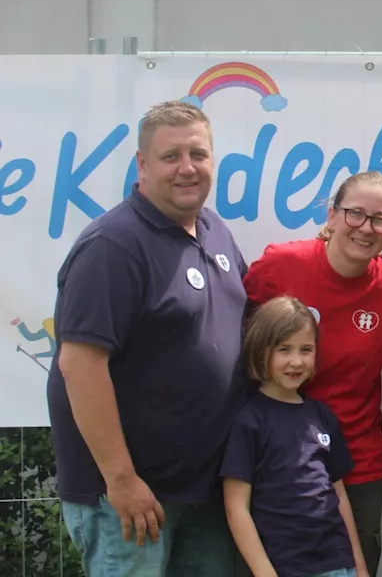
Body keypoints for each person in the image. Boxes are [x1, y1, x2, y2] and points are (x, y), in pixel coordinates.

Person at [46, 100, 246, 575]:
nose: (187, 168)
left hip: (204, 494)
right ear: (141, 164)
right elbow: (79, 366)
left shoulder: (215, 232)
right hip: (131, 502)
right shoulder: (114, 246)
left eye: (198, 154)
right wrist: (122, 480)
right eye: (170, 156)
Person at [242, 170, 382, 575]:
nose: (366, 228)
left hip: (357, 461)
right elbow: (234, 344)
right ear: (331, 215)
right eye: (354, 214)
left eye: (380, 219)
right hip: (278, 462)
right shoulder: (280, 265)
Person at [222, 296, 369, 577]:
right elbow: (236, 506)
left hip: (337, 565)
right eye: (284, 349)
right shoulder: (249, 421)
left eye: (306, 350)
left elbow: (340, 496)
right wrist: (264, 572)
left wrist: (359, 566)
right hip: (283, 567)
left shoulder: (321, 416)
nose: (296, 361)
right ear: (259, 352)